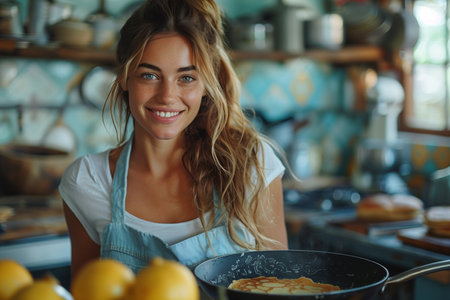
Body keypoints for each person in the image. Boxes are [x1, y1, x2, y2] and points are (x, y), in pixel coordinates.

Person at [59, 0, 288, 277]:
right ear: (124, 78)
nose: (167, 95)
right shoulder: (88, 182)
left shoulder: (252, 165)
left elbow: (280, 287)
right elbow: (88, 293)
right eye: (149, 75)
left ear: (206, 85)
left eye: (187, 78)